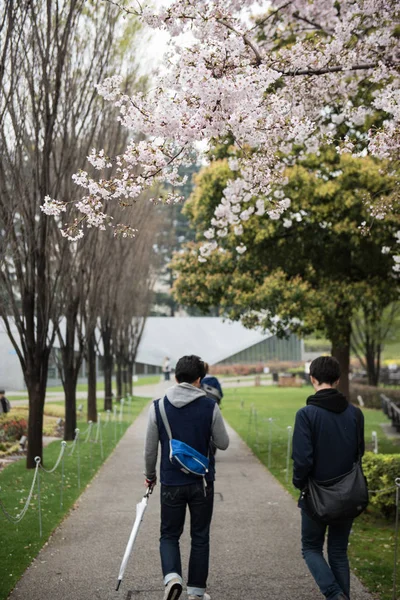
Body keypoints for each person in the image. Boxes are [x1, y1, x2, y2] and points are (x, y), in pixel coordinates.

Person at [144, 355, 230, 600]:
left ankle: (172, 578)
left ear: (175, 377)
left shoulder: (158, 407)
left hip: (171, 483)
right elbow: (223, 443)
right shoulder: (209, 406)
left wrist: (150, 476)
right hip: (201, 483)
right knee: (200, 535)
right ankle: (196, 592)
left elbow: (150, 450)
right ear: (199, 380)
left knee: (169, 534)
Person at [292, 356, 365, 600]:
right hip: (348, 491)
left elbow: (302, 460)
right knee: (338, 551)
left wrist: (299, 485)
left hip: (316, 494)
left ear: (312, 379)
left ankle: (335, 594)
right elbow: (359, 452)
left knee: (311, 547)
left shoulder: (306, 414)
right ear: (337, 379)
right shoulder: (355, 414)